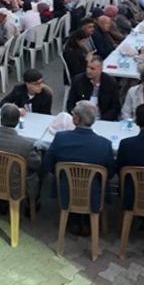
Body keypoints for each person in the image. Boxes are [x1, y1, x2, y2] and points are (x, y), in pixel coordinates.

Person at [43, 101, 115, 236]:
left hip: (66, 190)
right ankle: (87, 221)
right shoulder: (104, 144)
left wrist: (62, 174)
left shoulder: (61, 138)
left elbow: (48, 164)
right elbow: (110, 173)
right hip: (93, 193)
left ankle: (74, 220)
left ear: (76, 119)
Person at [0, 103, 42, 203]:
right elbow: (36, 164)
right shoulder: (26, 145)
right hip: (16, 187)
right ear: (17, 121)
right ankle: (31, 204)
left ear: (0, 118)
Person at [65, 56, 122, 121]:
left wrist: (103, 120)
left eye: (92, 69)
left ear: (100, 69)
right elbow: (70, 104)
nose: (88, 71)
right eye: (87, 67)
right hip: (82, 120)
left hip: (103, 119)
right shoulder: (78, 81)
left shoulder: (110, 83)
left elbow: (115, 107)